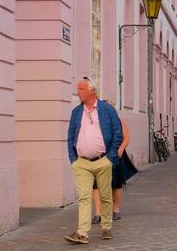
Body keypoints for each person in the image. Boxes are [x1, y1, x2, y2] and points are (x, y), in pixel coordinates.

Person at [65, 78, 122, 244]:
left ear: (92, 91)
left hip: (102, 160)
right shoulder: (76, 112)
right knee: (83, 197)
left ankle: (106, 227)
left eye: (81, 89)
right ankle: (82, 232)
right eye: (78, 89)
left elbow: (118, 133)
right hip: (82, 162)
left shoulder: (107, 109)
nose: (78, 92)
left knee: (105, 196)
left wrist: (110, 158)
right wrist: (73, 159)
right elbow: (70, 136)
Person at [92, 102, 137, 225]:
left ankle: (116, 209)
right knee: (95, 184)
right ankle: (98, 213)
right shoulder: (96, 121)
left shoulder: (119, 121)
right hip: (99, 155)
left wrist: (121, 148)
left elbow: (126, 138)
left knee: (116, 183)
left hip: (116, 155)